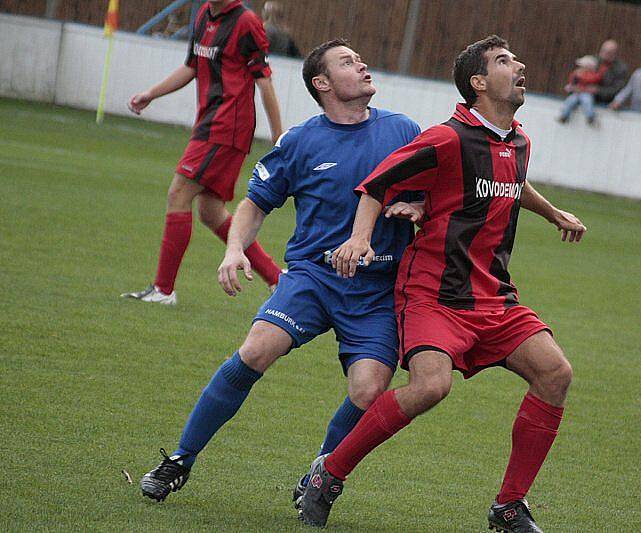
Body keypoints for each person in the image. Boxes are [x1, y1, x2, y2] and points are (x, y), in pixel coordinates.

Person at [300, 35, 587, 532]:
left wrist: (551, 212)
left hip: (493, 295)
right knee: (431, 387)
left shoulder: (516, 139)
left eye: (516, 59)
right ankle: (330, 472)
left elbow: (512, 182)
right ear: (479, 83)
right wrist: (360, 239)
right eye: (503, 61)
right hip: (434, 293)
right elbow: (376, 183)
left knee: (555, 374)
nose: (519, 66)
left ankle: (509, 507)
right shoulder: (446, 138)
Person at [138, 38, 425, 507]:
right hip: (313, 278)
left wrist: (416, 204)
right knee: (255, 350)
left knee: (370, 388)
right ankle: (180, 460)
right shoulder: (300, 140)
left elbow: (432, 191)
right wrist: (235, 250)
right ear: (323, 83)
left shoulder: (404, 130)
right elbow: (254, 206)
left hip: (378, 287)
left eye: (360, 57)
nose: (363, 63)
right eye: (349, 62)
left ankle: (321, 475)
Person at [122, 0, 284, 305]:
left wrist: (280, 139)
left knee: (178, 194)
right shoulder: (204, 14)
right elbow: (191, 67)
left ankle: (163, 290)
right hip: (209, 123)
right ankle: (277, 278)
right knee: (211, 212)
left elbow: (265, 83)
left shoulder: (246, 22)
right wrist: (151, 94)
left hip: (227, 127)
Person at [557, 55, 603, 124]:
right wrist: (575, 76)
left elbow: (592, 79)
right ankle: (564, 116)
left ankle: (590, 117)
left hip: (586, 93)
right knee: (569, 101)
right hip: (577, 93)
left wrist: (581, 76)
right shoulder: (578, 73)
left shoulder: (594, 74)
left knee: (587, 101)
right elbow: (572, 81)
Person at [594, 39, 628, 105]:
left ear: (615, 54)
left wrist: (597, 90)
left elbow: (616, 90)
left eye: (608, 53)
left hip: (608, 102)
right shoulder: (592, 62)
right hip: (588, 98)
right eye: (603, 51)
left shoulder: (621, 69)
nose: (604, 54)